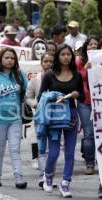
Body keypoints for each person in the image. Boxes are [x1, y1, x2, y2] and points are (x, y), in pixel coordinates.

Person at [38, 44, 85, 198]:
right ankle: (48, 176)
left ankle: (65, 183)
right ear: (58, 56)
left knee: (70, 153)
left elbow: (83, 97)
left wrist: (77, 94)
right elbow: (40, 97)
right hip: (54, 117)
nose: (66, 57)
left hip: (71, 115)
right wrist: (53, 96)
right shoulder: (49, 75)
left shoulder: (77, 75)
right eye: (63, 54)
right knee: (53, 153)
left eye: (69, 54)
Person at [0, 47, 28, 189]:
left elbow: (29, 92)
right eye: (6, 58)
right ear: (0, 59)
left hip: (15, 119)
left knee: (15, 149)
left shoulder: (20, 74)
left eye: (12, 58)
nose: (9, 60)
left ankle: (18, 177)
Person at [25, 52, 54, 187]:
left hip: (56, 117)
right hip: (40, 117)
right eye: (46, 61)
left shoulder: (59, 78)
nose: (48, 64)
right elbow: (28, 97)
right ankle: (43, 175)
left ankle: (49, 174)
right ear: (41, 63)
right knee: (42, 145)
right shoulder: (35, 79)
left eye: (51, 61)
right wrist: (35, 104)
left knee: (52, 147)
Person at [76, 36, 100, 175]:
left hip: (100, 102)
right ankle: (90, 163)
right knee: (89, 133)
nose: (93, 46)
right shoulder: (79, 61)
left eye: (96, 44)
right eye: (90, 44)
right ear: (86, 47)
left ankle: (99, 161)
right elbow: (76, 78)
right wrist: (86, 68)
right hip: (85, 102)